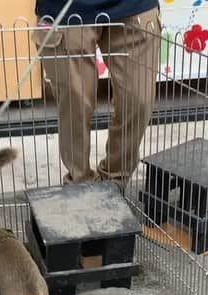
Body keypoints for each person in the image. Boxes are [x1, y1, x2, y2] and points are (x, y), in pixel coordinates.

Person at [34, 0, 160, 190]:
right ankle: (81, 189)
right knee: (75, 106)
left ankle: (114, 185)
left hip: (134, 6)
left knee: (139, 99)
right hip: (66, 10)